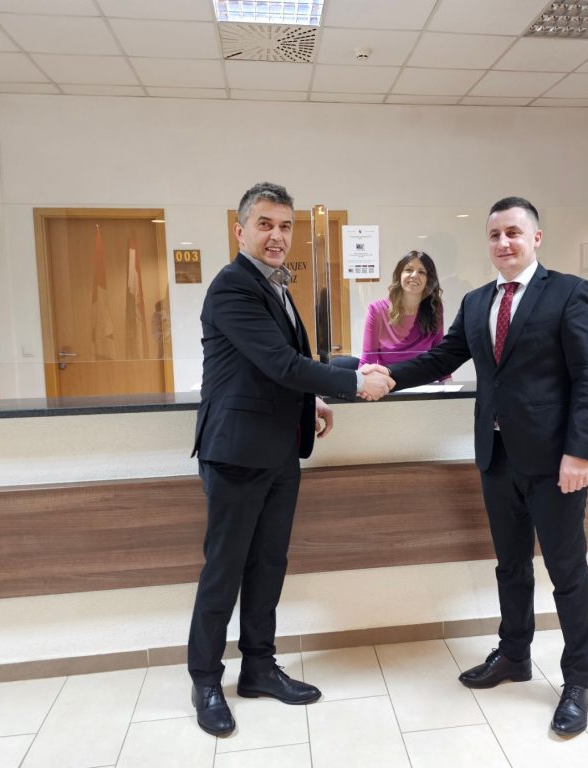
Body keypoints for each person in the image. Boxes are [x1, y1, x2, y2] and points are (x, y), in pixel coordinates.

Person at [387, 197, 588, 736]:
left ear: (536, 238)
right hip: (496, 456)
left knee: (567, 574)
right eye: (494, 235)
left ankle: (577, 682)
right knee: (510, 566)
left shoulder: (569, 292)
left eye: (513, 232)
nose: (503, 243)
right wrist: (384, 376)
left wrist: (580, 452)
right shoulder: (477, 300)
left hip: (555, 462)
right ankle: (514, 654)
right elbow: (442, 358)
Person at [188, 182, 394, 737]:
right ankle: (206, 680)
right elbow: (280, 363)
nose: (277, 235)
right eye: (265, 224)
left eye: (285, 226)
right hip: (236, 452)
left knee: (268, 565)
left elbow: (281, 365)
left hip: (278, 450)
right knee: (225, 570)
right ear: (240, 231)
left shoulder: (275, 284)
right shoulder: (232, 286)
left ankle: (258, 667)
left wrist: (320, 394)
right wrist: (354, 382)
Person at [359, 251, 446, 371]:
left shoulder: (435, 309)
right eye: (409, 270)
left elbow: (439, 358)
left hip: (424, 381)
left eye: (421, 272)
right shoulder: (376, 311)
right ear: (399, 275)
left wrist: (448, 381)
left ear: (428, 280)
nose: (414, 275)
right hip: (388, 381)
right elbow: (367, 363)